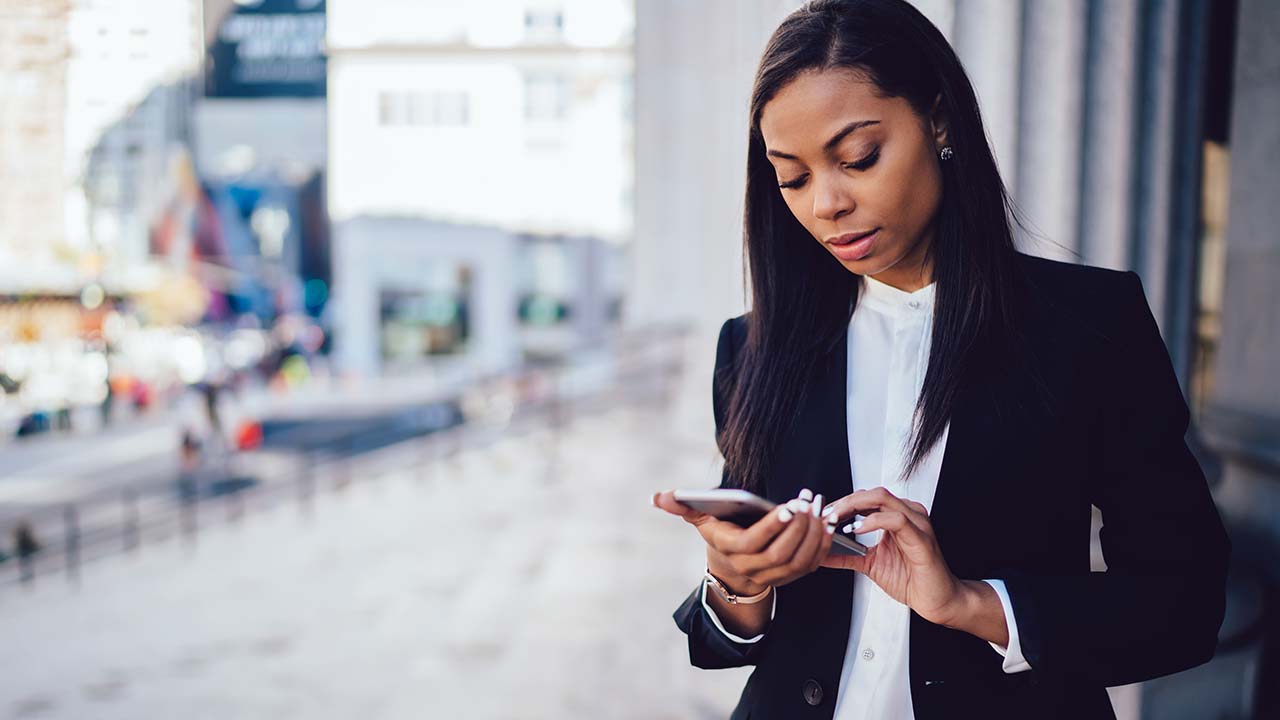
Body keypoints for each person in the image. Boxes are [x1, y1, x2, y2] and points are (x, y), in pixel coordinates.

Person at [650, 1, 1231, 718]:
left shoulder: (1088, 327)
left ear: (939, 122)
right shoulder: (754, 347)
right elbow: (728, 640)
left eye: (858, 157)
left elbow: (1184, 602)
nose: (826, 203)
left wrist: (973, 603)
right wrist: (738, 581)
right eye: (792, 178)